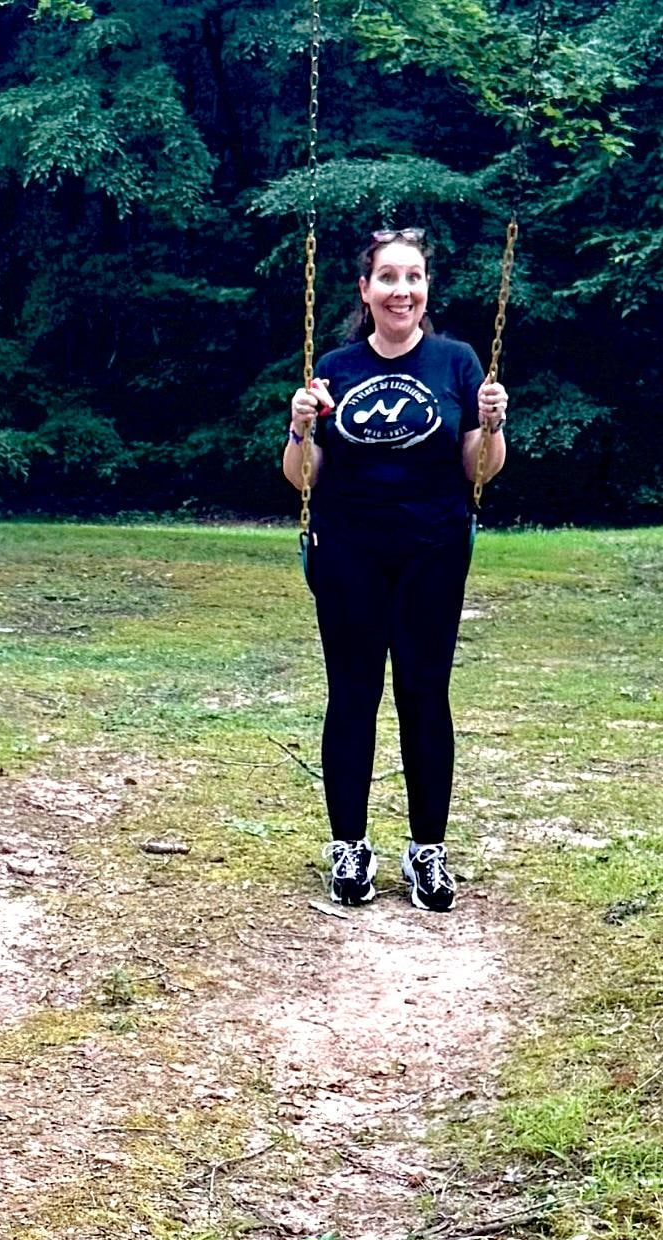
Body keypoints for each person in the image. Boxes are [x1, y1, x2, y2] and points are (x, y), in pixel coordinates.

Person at [284, 228, 508, 913]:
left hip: (432, 550)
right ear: (365, 289)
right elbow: (302, 478)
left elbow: (480, 470)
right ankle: (349, 848)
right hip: (348, 548)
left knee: (423, 693)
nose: (401, 290)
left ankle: (427, 852)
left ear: (426, 288)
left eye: (412, 278)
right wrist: (298, 429)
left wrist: (493, 426)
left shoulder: (457, 362)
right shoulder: (338, 367)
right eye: (387, 278)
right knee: (352, 695)